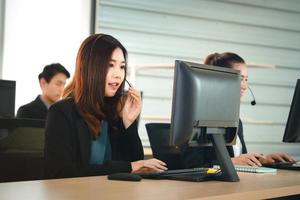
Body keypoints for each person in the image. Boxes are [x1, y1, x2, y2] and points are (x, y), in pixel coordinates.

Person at [44, 34, 167, 179]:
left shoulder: (112, 113)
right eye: (110, 65)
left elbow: (135, 167)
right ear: (91, 67)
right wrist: (130, 167)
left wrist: (128, 124)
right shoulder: (61, 112)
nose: (118, 75)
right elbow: (62, 173)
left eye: (122, 67)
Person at [204, 52, 295, 166]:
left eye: (246, 79)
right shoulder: (199, 120)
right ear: (221, 80)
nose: (244, 86)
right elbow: (191, 166)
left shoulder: (236, 121)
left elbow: (242, 159)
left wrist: (263, 160)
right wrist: (229, 162)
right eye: (240, 79)